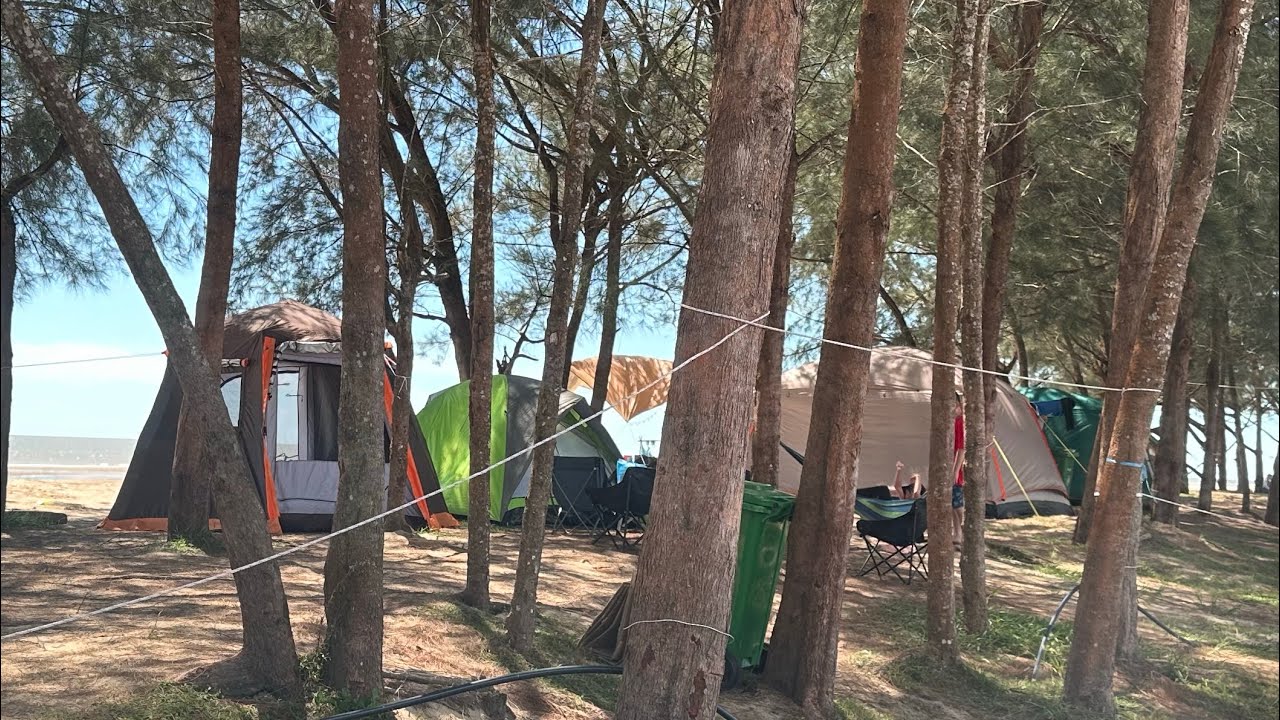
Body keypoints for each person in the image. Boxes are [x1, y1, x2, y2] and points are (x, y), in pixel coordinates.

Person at [951, 411, 965, 547]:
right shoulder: (949, 422)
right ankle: (957, 533)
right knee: (952, 504)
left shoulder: (960, 422)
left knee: (958, 503)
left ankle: (964, 530)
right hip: (947, 465)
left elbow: (961, 448)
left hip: (957, 468)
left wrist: (955, 470)